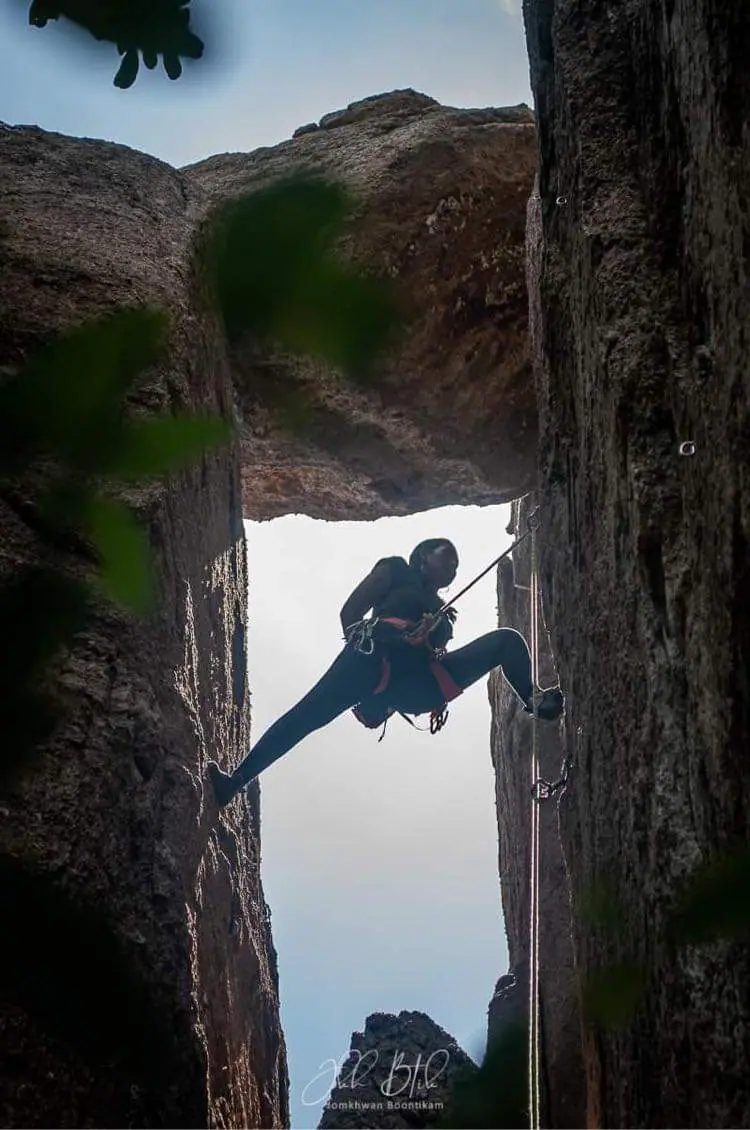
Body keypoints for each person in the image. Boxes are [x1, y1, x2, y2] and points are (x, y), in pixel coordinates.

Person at [208, 538, 564, 807]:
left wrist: (426, 638)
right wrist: (390, 637)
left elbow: (436, 651)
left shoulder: (443, 611)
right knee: (305, 716)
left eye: (456, 565)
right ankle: (234, 782)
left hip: (417, 683)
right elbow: (350, 613)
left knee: (505, 642)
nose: (454, 566)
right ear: (422, 555)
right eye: (447, 556)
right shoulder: (395, 571)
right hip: (368, 658)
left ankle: (533, 698)